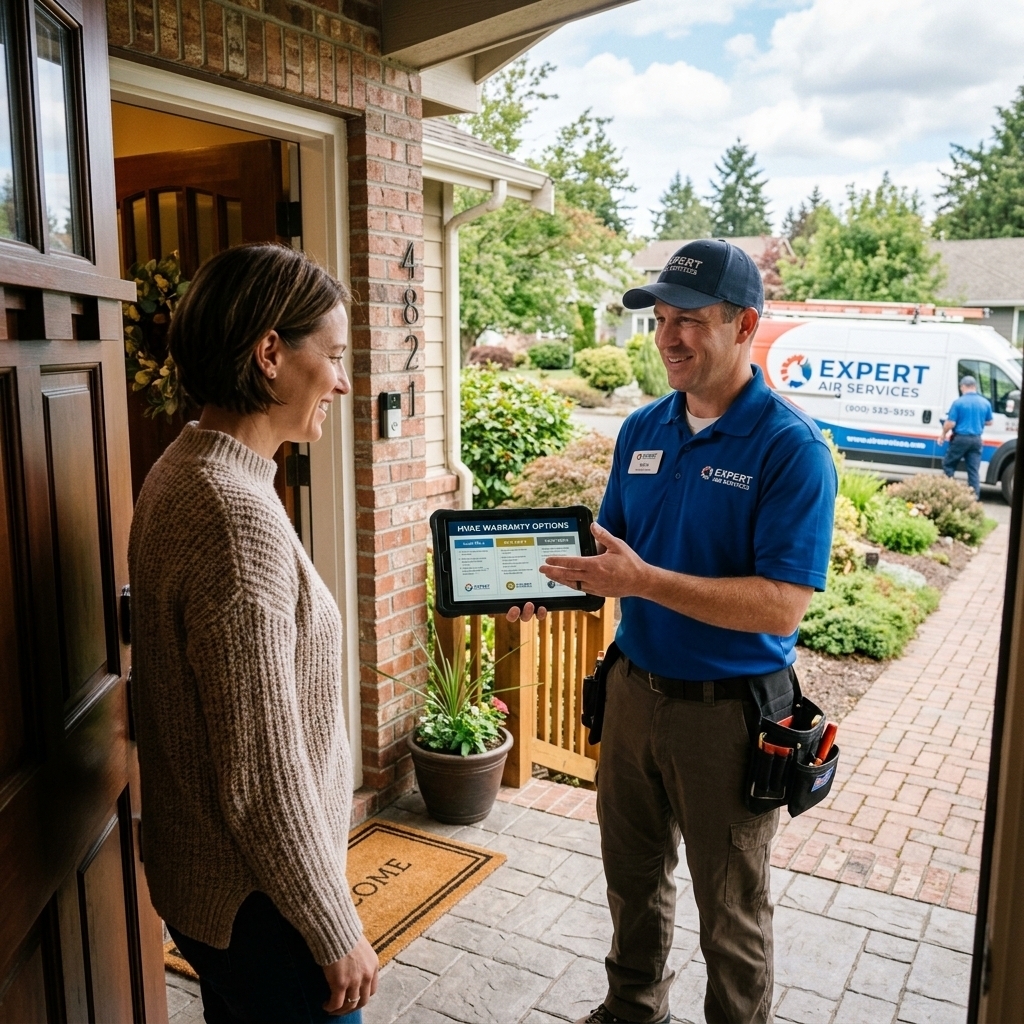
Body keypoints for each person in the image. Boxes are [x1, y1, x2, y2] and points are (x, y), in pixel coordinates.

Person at [526, 239, 837, 1024]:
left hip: (729, 717)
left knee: (730, 910)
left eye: (691, 320)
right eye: (662, 319)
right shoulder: (642, 430)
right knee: (632, 879)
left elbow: (781, 607)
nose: (669, 337)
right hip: (633, 694)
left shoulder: (790, 450)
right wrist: (539, 588)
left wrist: (646, 583)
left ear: (745, 326)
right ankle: (632, 1008)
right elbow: (613, 557)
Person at [129, 244, 378, 1023]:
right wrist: (335, 928)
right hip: (264, 908)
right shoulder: (233, 516)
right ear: (270, 351)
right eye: (332, 356)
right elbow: (260, 774)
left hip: (227, 893)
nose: (341, 380)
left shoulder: (192, 467)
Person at [940, 374, 992, 498]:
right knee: (973, 470)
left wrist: (943, 434)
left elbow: (951, 423)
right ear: (975, 387)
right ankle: (974, 499)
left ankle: (947, 493)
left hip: (961, 439)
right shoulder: (985, 402)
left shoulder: (958, 403)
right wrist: (977, 420)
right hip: (976, 440)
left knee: (949, 464)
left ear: (963, 387)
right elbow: (990, 421)